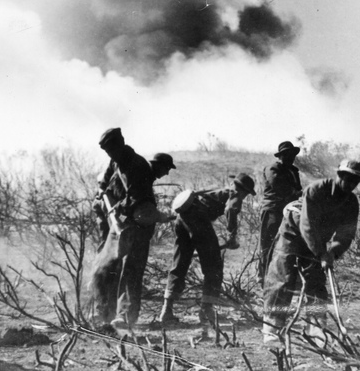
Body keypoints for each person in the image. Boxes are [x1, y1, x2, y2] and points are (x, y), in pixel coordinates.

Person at [263, 159, 360, 341]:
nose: (351, 184)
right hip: (293, 233)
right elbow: (307, 225)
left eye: (355, 181)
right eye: (348, 179)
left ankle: (316, 326)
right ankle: (272, 325)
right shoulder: (317, 189)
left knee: (316, 281)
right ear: (339, 175)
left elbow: (346, 234)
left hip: (317, 240)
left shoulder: (351, 202)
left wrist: (332, 252)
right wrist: (320, 253)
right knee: (283, 277)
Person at [90, 128, 175, 332]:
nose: (109, 154)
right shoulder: (116, 160)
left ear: (120, 144)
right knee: (104, 267)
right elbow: (106, 180)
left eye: (111, 150)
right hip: (118, 222)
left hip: (135, 224)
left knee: (131, 270)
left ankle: (125, 316)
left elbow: (137, 200)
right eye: (106, 151)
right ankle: (102, 313)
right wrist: (104, 191)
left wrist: (117, 208)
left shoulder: (137, 166)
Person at [159, 173, 256, 330]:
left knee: (180, 263)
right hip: (198, 220)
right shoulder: (234, 194)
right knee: (214, 267)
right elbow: (231, 210)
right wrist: (232, 236)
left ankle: (166, 310)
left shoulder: (215, 190)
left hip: (181, 219)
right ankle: (206, 311)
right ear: (243, 191)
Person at [258, 141, 303, 285]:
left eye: (293, 155)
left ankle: (283, 278)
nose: (291, 158)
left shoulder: (293, 171)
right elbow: (278, 186)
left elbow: (298, 188)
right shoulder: (273, 168)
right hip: (273, 210)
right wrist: (295, 193)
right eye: (287, 155)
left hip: (288, 211)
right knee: (268, 245)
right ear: (281, 156)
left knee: (286, 245)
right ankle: (263, 278)